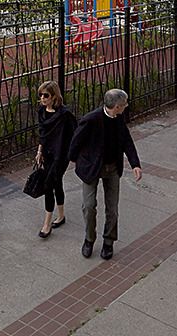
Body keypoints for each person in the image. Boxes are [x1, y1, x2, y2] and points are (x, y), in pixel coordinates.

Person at [68, 88, 143, 260]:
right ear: (116, 106)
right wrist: (75, 159)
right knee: (88, 206)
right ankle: (89, 239)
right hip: (92, 168)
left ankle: (108, 242)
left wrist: (135, 164)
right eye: (124, 105)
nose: (126, 107)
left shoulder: (119, 118)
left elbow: (126, 141)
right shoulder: (91, 119)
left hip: (112, 168)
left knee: (112, 209)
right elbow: (75, 141)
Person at [34, 81, 76, 238]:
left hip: (61, 155)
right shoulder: (42, 111)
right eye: (41, 95)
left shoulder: (64, 114)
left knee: (48, 184)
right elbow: (42, 133)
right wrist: (40, 151)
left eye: (46, 95)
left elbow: (75, 133)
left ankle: (46, 224)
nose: (43, 98)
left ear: (54, 96)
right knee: (57, 183)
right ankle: (61, 215)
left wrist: (74, 154)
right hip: (48, 154)